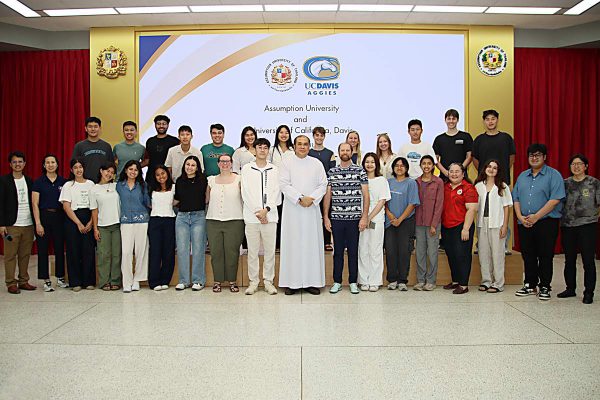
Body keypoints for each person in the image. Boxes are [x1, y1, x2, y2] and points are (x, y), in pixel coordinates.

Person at [513, 144, 565, 300]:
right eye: (531, 155)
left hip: (546, 222)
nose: (534, 158)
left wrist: (536, 216)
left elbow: (555, 199)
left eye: (538, 155)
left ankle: (545, 286)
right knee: (528, 255)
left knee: (545, 255)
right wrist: (520, 217)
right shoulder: (522, 176)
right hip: (524, 222)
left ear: (544, 157)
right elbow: (515, 198)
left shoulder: (553, 175)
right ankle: (530, 284)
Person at [279, 135, 328, 295]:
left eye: (305, 144)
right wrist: (299, 197)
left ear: (309, 146)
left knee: (310, 245)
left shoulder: (316, 163)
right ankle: (292, 283)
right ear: (294, 146)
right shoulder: (286, 162)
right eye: (299, 144)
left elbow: (323, 184)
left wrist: (311, 198)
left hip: (311, 210)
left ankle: (311, 282)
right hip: (293, 210)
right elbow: (283, 184)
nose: (302, 147)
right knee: (292, 244)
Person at [324, 143, 369, 294]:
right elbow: (328, 195)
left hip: (354, 219)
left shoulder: (360, 170)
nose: (345, 152)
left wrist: (364, 217)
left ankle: (353, 282)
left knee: (353, 251)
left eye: (347, 150)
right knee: (337, 252)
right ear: (338, 153)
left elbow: (366, 195)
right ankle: (337, 282)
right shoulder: (332, 172)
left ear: (351, 152)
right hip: (337, 218)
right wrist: (326, 217)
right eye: (342, 150)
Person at [241, 138, 280, 295]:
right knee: (252, 252)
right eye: (259, 147)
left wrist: (266, 210)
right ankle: (254, 282)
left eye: (265, 147)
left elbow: (276, 192)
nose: (262, 150)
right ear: (254, 150)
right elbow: (245, 192)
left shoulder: (274, 169)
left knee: (270, 252)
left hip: (270, 216)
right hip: (252, 217)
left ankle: (268, 281)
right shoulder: (246, 169)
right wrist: (258, 212)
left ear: (268, 150)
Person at [559, 154, 600, 304]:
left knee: (588, 260)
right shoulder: (565, 183)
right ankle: (570, 288)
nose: (576, 167)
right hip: (568, 225)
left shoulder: (594, 183)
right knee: (569, 259)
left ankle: (589, 292)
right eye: (573, 164)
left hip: (587, 225)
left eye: (579, 164)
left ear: (586, 166)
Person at [206, 153, 245, 293]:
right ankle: (217, 281)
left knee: (232, 252)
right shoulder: (211, 180)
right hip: (213, 220)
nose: (224, 164)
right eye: (222, 161)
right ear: (217, 164)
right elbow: (206, 200)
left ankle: (232, 281)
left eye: (227, 161)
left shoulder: (239, 179)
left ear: (232, 163)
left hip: (235, 220)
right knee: (216, 252)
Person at [0, 151, 37, 294]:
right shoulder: (4, 181)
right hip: (11, 225)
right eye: (14, 162)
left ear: (24, 164)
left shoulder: (29, 180)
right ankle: (10, 283)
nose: (17, 164)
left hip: (28, 224)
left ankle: (23, 281)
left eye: (20, 161)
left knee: (25, 254)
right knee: (10, 255)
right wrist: (1, 224)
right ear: (10, 164)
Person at [474, 159, 513, 293]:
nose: (491, 169)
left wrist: (505, 226)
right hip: (482, 223)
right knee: (483, 253)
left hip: (497, 223)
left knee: (497, 254)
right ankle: (486, 281)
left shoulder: (502, 186)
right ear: (485, 168)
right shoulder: (478, 186)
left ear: (498, 171)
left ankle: (498, 283)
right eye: (489, 166)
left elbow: (507, 207)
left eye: (495, 168)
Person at [32, 154, 68, 292]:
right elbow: (35, 204)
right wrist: (38, 223)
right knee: (43, 250)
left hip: (59, 217)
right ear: (44, 165)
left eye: (53, 162)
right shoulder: (39, 182)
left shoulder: (63, 182)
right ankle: (46, 280)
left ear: (57, 164)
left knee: (59, 248)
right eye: (47, 162)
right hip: (44, 217)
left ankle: (60, 277)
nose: (50, 165)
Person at [59, 158, 96, 292]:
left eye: (80, 167)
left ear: (84, 168)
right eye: (75, 167)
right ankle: (75, 282)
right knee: (73, 251)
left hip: (89, 217)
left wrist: (91, 222)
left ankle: (89, 281)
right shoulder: (68, 185)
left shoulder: (91, 184)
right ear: (71, 170)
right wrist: (79, 223)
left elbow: (95, 205)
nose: (78, 170)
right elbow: (66, 206)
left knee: (88, 251)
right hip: (73, 219)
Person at [441, 163, 478, 294]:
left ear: (463, 174)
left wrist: (466, 228)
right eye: (451, 171)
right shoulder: (445, 187)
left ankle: (463, 284)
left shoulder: (469, 188)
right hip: (447, 226)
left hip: (462, 227)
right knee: (451, 255)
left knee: (462, 255)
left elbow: (472, 209)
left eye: (457, 171)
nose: (454, 174)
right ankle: (456, 281)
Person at [384, 157, 420, 291]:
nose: (399, 168)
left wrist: (400, 219)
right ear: (393, 168)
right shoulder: (388, 182)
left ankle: (402, 280)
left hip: (405, 222)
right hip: (390, 222)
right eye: (397, 165)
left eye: (402, 165)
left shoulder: (411, 183)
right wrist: (389, 214)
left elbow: (412, 204)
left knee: (404, 251)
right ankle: (392, 279)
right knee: (390, 251)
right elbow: (383, 201)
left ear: (406, 168)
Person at [357, 153, 391, 292]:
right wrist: (363, 218)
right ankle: (363, 280)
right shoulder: (360, 180)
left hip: (376, 219)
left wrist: (368, 217)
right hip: (361, 219)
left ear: (376, 164)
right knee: (363, 249)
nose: (369, 164)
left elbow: (382, 201)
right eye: (367, 162)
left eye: (372, 162)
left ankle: (375, 281)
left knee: (375, 249)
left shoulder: (382, 180)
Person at [116, 160, 151, 293]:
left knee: (141, 251)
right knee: (126, 252)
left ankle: (137, 280)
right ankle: (127, 281)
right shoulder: (119, 185)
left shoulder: (143, 185)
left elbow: (147, 202)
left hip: (142, 220)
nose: (133, 172)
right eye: (130, 169)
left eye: (136, 170)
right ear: (125, 170)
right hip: (125, 221)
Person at [174, 155, 208, 291]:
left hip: (198, 217)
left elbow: (206, 199)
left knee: (198, 249)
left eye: (193, 165)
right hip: (182, 217)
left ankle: (198, 280)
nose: (190, 167)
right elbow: (177, 200)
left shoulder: (203, 180)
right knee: (182, 249)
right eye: (188, 164)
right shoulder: (179, 181)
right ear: (184, 166)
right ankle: (184, 281)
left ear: (197, 167)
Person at [90, 162, 122, 291]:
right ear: (101, 171)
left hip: (117, 225)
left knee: (116, 255)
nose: (109, 174)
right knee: (104, 255)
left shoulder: (116, 186)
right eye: (107, 171)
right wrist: (95, 229)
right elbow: (94, 210)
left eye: (112, 172)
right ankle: (104, 282)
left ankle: (115, 280)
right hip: (103, 226)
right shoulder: (94, 189)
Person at [414, 155, 444, 291]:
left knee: (432, 253)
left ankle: (431, 281)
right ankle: (421, 280)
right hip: (419, 223)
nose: (426, 166)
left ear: (433, 166)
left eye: (429, 164)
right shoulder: (416, 182)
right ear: (420, 165)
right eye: (424, 163)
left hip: (433, 224)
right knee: (420, 253)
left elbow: (439, 204)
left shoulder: (438, 182)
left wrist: (434, 224)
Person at [148, 165, 177, 291]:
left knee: (168, 252)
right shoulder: (151, 189)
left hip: (169, 220)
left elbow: (177, 201)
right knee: (155, 251)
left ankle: (165, 280)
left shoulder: (174, 187)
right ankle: (154, 281)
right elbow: (148, 203)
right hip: (155, 221)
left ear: (167, 173)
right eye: (158, 174)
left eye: (163, 173)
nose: (161, 176)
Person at [308, 126, 336, 251]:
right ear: (313, 136)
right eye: (317, 135)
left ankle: (327, 241)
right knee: (311, 214)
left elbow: (332, 171)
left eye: (321, 135)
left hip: (326, 189)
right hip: (311, 189)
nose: (319, 137)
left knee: (326, 213)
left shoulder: (330, 153)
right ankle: (312, 240)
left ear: (324, 137)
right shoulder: (308, 152)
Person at [472, 110, 516, 184]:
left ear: (497, 120)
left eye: (493, 119)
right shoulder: (479, 139)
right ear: (484, 121)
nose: (490, 122)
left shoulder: (506, 138)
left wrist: (502, 170)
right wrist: (485, 171)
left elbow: (511, 157)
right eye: (487, 119)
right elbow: (475, 159)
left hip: (503, 179)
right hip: (484, 180)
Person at [269, 124, 294, 250]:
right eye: (281, 132)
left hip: (290, 188)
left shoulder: (293, 150)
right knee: (277, 215)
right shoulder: (271, 150)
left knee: (289, 216)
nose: (284, 135)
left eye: (286, 132)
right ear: (277, 134)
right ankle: (278, 243)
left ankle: (289, 243)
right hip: (276, 188)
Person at [433, 109, 473, 181]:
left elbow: (469, 156)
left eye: (453, 119)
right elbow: (435, 159)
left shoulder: (466, 136)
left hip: (462, 177)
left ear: (457, 120)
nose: (451, 121)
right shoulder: (439, 139)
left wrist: (459, 170)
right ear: (445, 120)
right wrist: (445, 172)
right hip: (444, 177)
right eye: (449, 119)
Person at [71, 116, 114, 183]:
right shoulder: (79, 146)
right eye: (90, 126)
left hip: (102, 183)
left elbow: (111, 167)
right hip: (85, 183)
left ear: (100, 128)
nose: (93, 129)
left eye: (95, 126)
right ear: (86, 128)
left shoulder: (106, 146)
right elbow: (75, 166)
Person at [144, 115, 180, 183]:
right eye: (158, 124)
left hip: (168, 178)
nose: (161, 126)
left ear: (168, 125)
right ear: (155, 125)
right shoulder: (150, 141)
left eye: (164, 124)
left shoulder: (175, 141)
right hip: (151, 178)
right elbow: (147, 160)